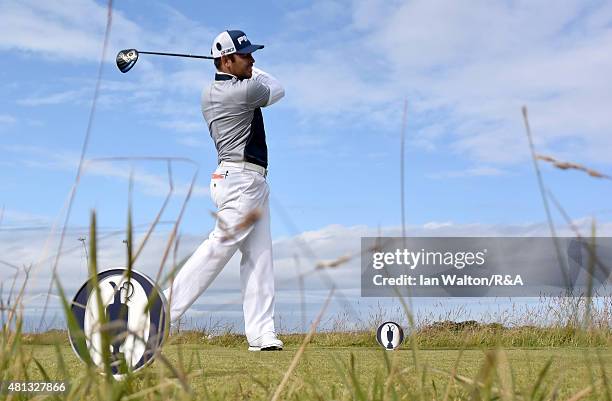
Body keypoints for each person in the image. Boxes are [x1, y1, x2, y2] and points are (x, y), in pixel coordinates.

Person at [163, 30, 285, 351]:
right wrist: (249, 71)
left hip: (250, 180)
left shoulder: (220, 89)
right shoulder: (238, 92)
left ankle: (261, 332)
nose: (253, 60)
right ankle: (159, 311)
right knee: (221, 245)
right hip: (240, 180)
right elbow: (278, 88)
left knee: (260, 257)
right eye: (245, 55)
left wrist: (240, 65)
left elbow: (260, 81)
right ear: (226, 60)